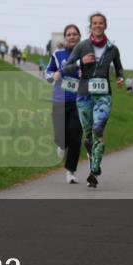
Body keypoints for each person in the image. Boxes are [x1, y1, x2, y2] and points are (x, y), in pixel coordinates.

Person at [58, 12, 125, 188]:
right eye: (94, 23)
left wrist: (120, 78)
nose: (97, 26)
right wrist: (81, 62)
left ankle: (94, 169)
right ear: (90, 26)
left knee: (98, 128)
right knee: (87, 136)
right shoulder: (82, 46)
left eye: (100, 23)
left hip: (104, 95)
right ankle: (94, 162)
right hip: (83, 95)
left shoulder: (112, 49)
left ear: (105, 25)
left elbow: (119, 68)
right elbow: (66, 68)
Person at [45, 24, 84, 184]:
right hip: (59, 100)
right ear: (65, 37)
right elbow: (47, 74)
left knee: (76, 136)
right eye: (69, 34)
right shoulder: (58, 54)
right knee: (61, 137)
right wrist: (52, 75)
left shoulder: (86, 56)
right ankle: (61, 145)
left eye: (75, 34)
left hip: (79, 101)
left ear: (79, 37)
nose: (72, 36)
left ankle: (70, 171)